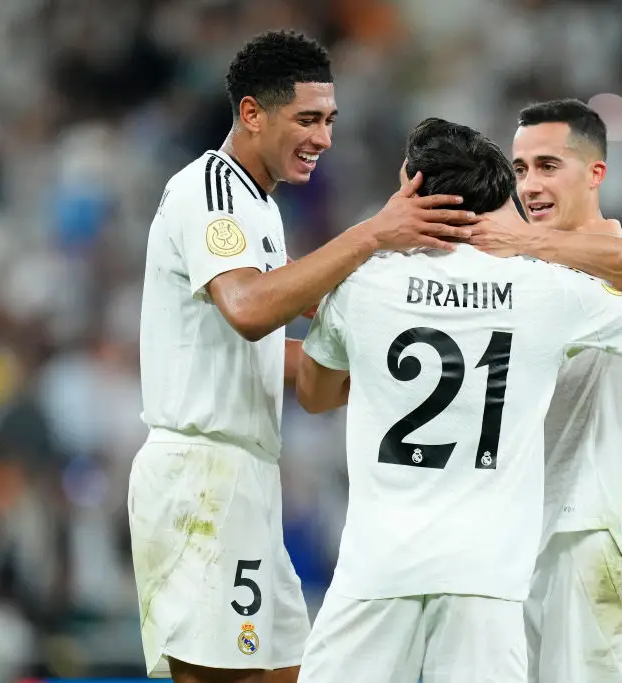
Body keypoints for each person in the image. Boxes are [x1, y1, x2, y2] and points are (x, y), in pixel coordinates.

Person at [128, 31, 476, 683]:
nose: (324, 138)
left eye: (330, 120)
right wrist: (374, 232)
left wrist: (394, 358)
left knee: (290, 671)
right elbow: (251, 307)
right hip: (204, 478)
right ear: (253, 113)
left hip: (247, 480)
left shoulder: (258, 206)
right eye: (308, 119)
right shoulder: (211, 189)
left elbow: (272, 345)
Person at [292, 117, 622, 683]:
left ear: (409, 187)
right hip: (488, 577)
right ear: (499, 192)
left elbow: (315, 394)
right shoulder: (545, 289)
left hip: (378, 565)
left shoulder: (361, 283)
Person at [464, 98, 622, 683]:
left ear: (595, 173)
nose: (529, 184)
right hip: (514, 535)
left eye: (547, 165)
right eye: (519, 169)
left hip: (598, 530)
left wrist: (525, 244)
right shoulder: (513, 268)